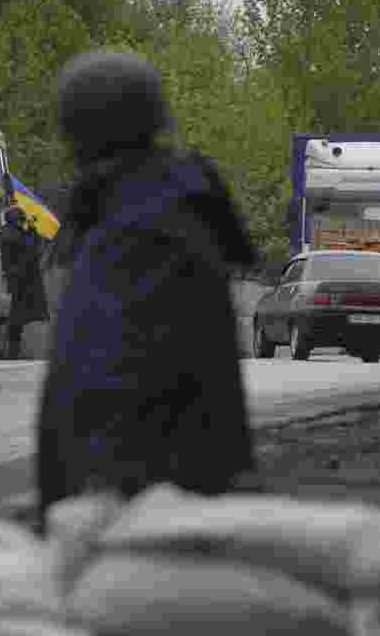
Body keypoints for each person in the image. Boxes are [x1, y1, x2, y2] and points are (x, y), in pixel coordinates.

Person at [35, 50, 261, 534]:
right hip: (172, 492)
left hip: (143, 503)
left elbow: (100, 375)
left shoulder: (141, 229)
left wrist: (78, 494)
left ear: (79, 133)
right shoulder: (161, 205)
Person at [0, 204, 50, 359]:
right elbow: (33, 251)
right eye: (21, 220)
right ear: (15, 220)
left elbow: (30, 249)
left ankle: (12, 351)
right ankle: (11, 352)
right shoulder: (14, 235)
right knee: (16, 316)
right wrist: (32, 230)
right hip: (21, 279)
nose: (23, 222)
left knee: (16, 315)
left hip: (17, 278)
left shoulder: (9, 233)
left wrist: (30, 230)